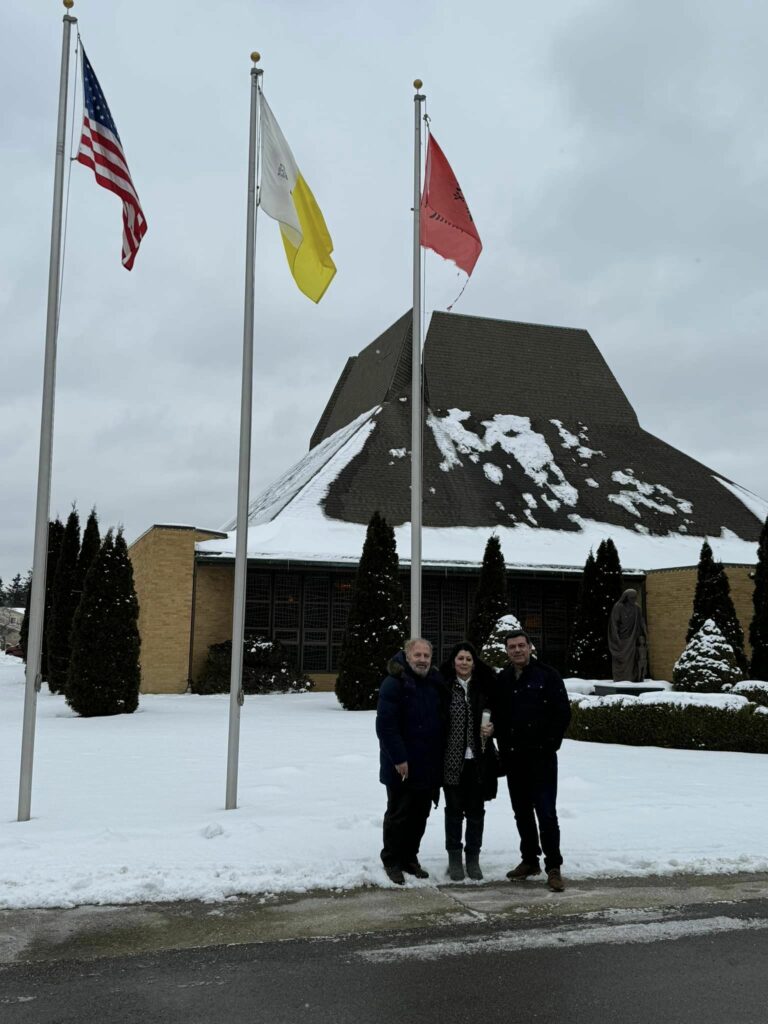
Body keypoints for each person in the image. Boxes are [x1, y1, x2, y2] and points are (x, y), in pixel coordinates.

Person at [494, 630, 571, 892]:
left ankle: (553, 867)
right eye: (512, 647)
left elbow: (562, 714)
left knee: (546, 813)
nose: (517, 650)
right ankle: (529, 860)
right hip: (514, 759)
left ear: (530, 647)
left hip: (541, 759)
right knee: (522, 813)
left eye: (521, 645)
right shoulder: (503, 679)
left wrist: (549, 745)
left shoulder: (548, 675)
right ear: (507, 651)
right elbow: (498, 715)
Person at [375, 637, 447, 885]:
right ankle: (392, 860)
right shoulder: (394, 683)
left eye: (426, 656)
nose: (422, 660)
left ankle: (409, 858)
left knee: (420, 814)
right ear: (407, 657)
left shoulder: (434, 682)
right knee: (399, 814)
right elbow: (386, 726)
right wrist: (399, 758)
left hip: (428, 764)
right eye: (417, 655)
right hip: (402, 765)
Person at [438, 641, 499, 881]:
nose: (464, 663)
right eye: (460, 658)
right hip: (451, 761)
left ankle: (473, 858)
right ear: (453, 661)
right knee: (453, 812)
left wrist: (493, 727)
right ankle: (454, 858)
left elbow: (499, 713)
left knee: (476, 812)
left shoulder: (485, 686)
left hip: (478, 761)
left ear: (474, 663)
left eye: (468, 659)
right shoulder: (443, 685)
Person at [608, 589, 649, 682]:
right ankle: (621, 678)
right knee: (622, 660)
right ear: (626, 598)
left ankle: (633, 677)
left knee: (633, 659)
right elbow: (614, 623)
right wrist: (616, 637)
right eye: (631, 598)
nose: (633, 600)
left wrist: (645, 632)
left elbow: (641, 621)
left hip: (633, 638)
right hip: (622, 639)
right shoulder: (618, 607)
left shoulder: (637, 608)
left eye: (635, 598)